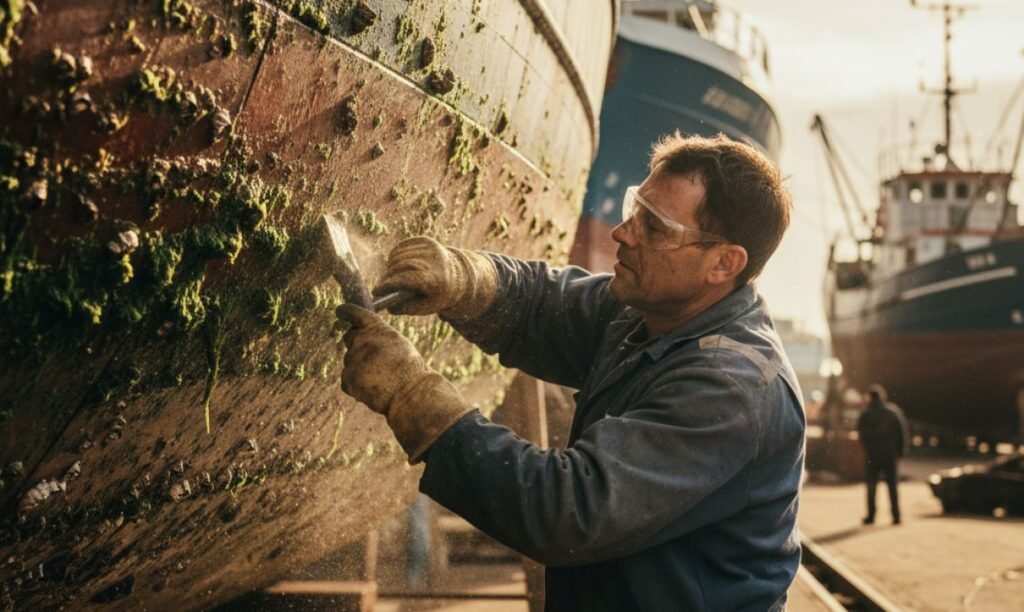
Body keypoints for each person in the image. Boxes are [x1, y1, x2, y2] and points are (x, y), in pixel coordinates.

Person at [335, 133, 806, 610]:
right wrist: (465, 277)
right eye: (634, 208)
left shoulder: (732, 388)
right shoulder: (648, 313)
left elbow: (568, 512)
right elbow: (543, 305)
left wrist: (413, 398)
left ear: (724, 264)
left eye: (655, 227)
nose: (622, 233)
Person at [856, 384, 908, 525]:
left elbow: (860, 433)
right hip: (890, 455)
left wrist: (867, 448)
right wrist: (901, 453)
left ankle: (871, 516)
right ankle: (896, 516)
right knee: (892, 486)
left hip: (872, 455)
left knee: (872, 486)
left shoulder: (866, 414)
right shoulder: (893, 412)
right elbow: (902, 434)